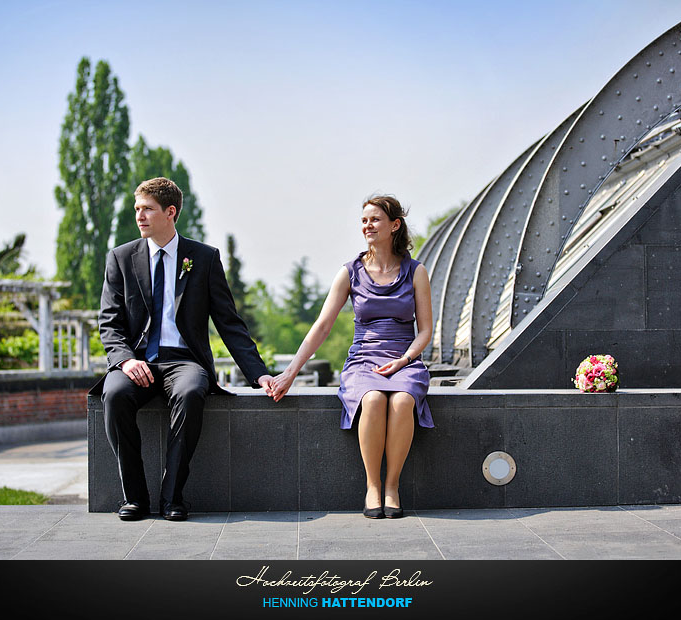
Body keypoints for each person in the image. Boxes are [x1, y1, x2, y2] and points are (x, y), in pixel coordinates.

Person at [90, 177, 274, 521]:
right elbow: (109, 322)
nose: (139, 216)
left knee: (191, 393)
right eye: (137, 209)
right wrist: (125, 360)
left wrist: (259, 373)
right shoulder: (120, 258)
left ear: (170, 212)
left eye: (147, 209)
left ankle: (173, 496)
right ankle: (135, 498)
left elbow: (228, 322)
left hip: (185, 361)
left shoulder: (203, 258)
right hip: (137, 361)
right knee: (113, 395)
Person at [269, 195, 433, 519]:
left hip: (404, 358)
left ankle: (392, 486)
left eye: (374, 220)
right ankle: (373, 486)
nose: (367, 226)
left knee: (402, 402)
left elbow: (426, 330)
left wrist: (404, 360)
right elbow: (322, 326)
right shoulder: (350, 272)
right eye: (363, 221)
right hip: (364, 359)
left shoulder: (416, 271)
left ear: (394, 225)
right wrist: (289, 372)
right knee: (371, 400)